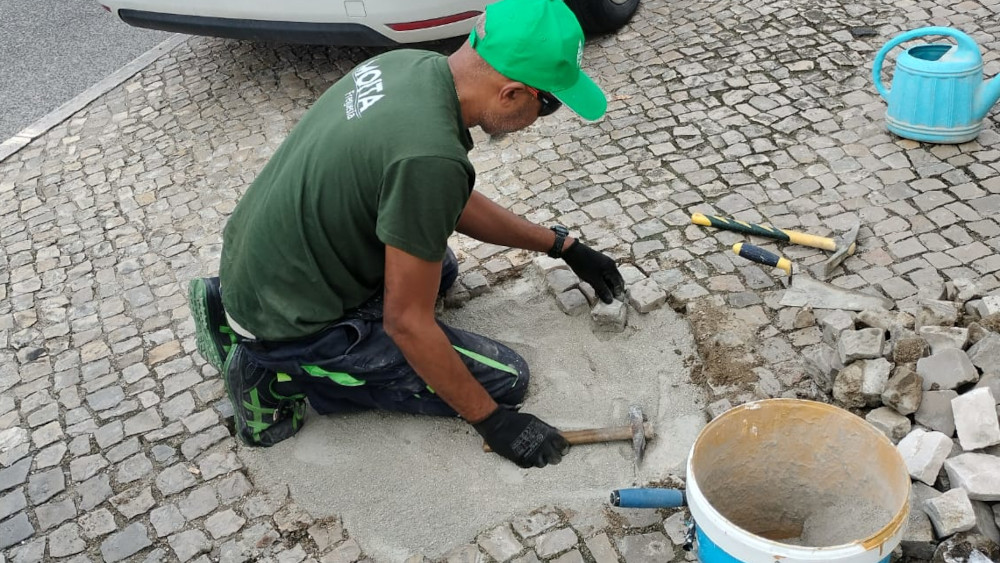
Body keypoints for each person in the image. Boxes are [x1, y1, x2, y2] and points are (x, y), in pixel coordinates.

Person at [187, 0, 625, 469]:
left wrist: (564, 246)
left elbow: (448, 202)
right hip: (289, 313)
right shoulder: (429, 157)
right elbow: (406, 322)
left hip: (263, 263)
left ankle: (231, 301)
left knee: (442, 268)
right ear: (512, 94)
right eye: (550, 104)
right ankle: (278, 371)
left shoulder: (411, 65)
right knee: (507, 379)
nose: (543, 118)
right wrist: (493, 421)